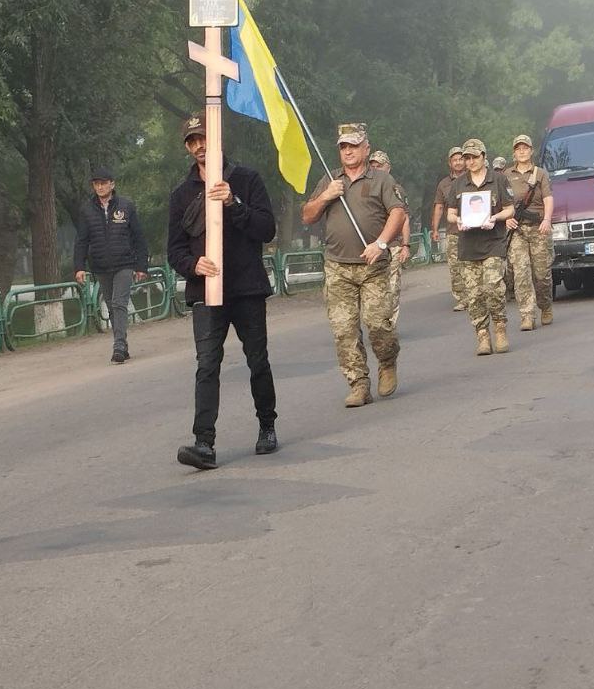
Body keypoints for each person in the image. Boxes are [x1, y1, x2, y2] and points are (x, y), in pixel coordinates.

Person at [166, 115, 279, 471]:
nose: (199, 146)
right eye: (192, 141)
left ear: (217, 139)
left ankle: (267, 425)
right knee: (206, 365)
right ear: (187, 147)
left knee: (256, 359)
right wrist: (192, 265)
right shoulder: (181, 194)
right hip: (206, 292)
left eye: (204, 138)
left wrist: (235, 204)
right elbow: (174, 250)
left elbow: (267, 229)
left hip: (246, 287)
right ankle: (204, 443)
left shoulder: (247, 179)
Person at [302, 122, 406, 407]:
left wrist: (382, 243)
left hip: (373, 265)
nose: (348, 151)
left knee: (378, 324)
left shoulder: (381, 180)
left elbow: (397, 213)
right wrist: (325, 196)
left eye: (353, 145)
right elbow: (308, 216)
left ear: (366, 147)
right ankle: (358, 384)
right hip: (337, 267)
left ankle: (387, 361)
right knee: (344, 330)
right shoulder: (330, 179)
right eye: (343, 147)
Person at [73, 165, 148, 363]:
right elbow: (81, 240)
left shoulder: (126, 206)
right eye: (96, 184)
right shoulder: (87, 210)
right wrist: (79, 266)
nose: (100, 187)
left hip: (124, 263)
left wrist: (141, 266)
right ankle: (121, 342)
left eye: (103, 183)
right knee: (112, 306)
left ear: (112, 184)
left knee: (118, 302)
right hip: (100, 266)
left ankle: (119, 346)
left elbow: (138, 237)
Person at [447, 138, 515, 355]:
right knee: (474, 295)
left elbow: (510, 209)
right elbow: (450, 213)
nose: (470, 161)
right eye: (467, 158)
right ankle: (483, 336)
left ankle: (500, 327)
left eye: (474, 157)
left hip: (493, 242)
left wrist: (494, 217)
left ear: (484, 157)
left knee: (494, 287)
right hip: (468, 245)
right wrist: (456, 221)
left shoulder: (498, 179)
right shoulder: (458, 184)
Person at [504, 135, 555, 329]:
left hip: (538, 228)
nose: (522, 151)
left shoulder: (540, 174)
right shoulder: (506, 175)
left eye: (525, 148)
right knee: (521, 274)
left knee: (541, 274)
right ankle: (527, 314)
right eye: (518, 149)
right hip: (517, 230)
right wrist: (507, 218)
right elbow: (501, 201)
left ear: (531, 151)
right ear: (514, 153)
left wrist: (547, 220)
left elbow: (548, 198)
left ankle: (545, 305)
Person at [368, 150, 412, 326]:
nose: (375, 168)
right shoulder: (365, 186)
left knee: (391, 288)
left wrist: (406, 245)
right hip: (370, 246)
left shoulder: (395, 188)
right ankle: (376, 323)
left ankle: (389, 325)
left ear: (388, 167)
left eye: (379, 165)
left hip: (392, 245)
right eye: (372, 165)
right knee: (374, 289)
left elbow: (404, 218)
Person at [432, 147, 468, 311]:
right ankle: (461, 298)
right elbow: (439, 207)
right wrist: (435, 229)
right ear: (450, 163)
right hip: (453, 231)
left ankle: (476, 295)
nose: (458, 162)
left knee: (472, 264)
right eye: (455, 160)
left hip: (474, 230)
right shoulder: (444, 184)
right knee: (455, 267)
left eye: (461, 158)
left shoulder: (472, 178)